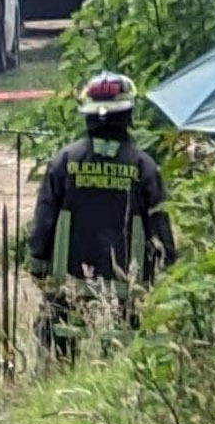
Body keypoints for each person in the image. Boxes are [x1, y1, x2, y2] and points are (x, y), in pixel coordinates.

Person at [28, 72, 177, 359]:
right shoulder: (144, 167)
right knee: (127, 350)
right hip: (129, 286)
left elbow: (45, 219)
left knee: (54, 339)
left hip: (66, 282)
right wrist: (168, 268)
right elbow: (160, 228)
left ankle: (55, 383)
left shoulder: (65, 161)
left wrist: (37, 262)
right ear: (128, 114)